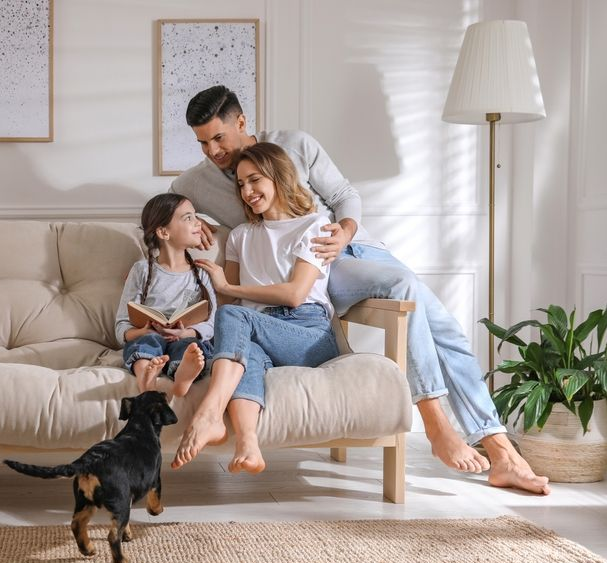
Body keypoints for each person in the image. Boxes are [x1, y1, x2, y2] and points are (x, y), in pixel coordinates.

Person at [169, 85, 550, 495]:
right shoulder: (199, 182)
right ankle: (465, 438)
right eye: (202, 142)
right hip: (303, 273)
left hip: (346, 252)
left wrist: (343, 231)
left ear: (241, 122)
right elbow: (172, 204)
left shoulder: (295, 144)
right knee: (406, 297)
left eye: (218, 138)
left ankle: (489, 445)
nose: (211, 150)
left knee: (442, 327)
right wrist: (191, 219)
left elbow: (344, 195)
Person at [172, 142, 340, 474]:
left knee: (235, 318)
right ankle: (248, 445)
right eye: (240, 184)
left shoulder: (315, 226)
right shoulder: (241, 236)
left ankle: (209, 413)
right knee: (242, 348)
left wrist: (226, 287)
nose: (247, 191)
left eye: (255, 180)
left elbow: (294, 294)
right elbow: (230, 304)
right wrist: (184, 322)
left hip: (307, 333)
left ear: (278, 176)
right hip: (258, 329)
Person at [115, 193, 216, 398]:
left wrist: (187, 333)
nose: (198, 223)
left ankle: (182, 378)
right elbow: (121, 325)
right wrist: (141, 331)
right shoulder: (141, 271)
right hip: (149, 336)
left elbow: (212, 322)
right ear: (163, 232)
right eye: (188, 218)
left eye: (195, 216)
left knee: (191, 349)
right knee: (147, 342)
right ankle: (147, 377)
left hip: (184, 337)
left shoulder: (201, 274)